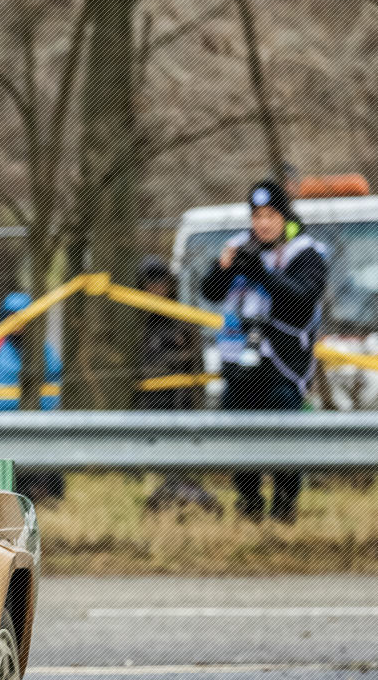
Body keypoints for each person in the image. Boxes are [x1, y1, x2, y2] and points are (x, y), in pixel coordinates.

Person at [201, 180, 328, 523]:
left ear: (284, 217)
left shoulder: (306, 253)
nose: (263, 224)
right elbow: (209, 291)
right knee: (240, 439)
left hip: (283, 365)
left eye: (271, 215)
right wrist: (224, 268)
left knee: (283, 439)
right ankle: (249, 504)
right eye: (257, 216)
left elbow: (303, 298)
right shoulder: (240, 247)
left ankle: (284, 507)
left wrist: (263, 274)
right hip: (239, 363)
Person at [133, 257, 221, 514]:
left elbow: (196, 366)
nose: (156, 289)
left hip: (179, 399)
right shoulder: (136, 322)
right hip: (148, 402)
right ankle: (163, 495)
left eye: (161, 282)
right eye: (150, 283)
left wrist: (195, 401)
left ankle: (184, 494)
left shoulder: (182, 319)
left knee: (179, 455)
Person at [0, 292, 61, 412]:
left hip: (34, 417)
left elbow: (55, 384)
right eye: (11, 315)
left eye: (21, 315)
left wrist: (39, 409)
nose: (16, 321)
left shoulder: (42, 349)